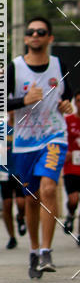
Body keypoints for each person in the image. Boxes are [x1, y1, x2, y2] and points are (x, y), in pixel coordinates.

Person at [7, 17, 72, 279]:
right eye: (31, 32)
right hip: (24, 144)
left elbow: (68, 98)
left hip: (55, 135)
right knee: (31, 199)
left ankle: (47, 250)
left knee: (48, 188)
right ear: (25, 39)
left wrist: (67, 105)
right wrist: (24, 99)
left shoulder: (61, 66)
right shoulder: (15, 68)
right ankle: (34, 250)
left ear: (49, 38)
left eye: (41, 32)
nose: (35, 35)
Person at [0, 121, 26, 250]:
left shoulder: (25, 127)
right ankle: (12, 237)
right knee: (7, 205)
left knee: (21, 203)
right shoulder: (1, 129)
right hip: (3, 171)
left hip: (20, 171)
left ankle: (20, 218)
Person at [62, 90, 80, 242]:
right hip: (71, 167)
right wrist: (66, 153)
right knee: (73, 199)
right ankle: (70, 214)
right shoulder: (68, 121)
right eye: (79, 100)